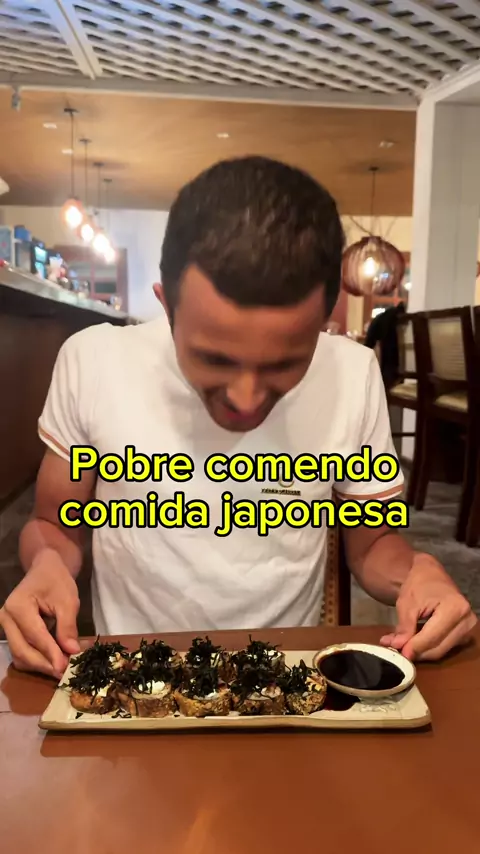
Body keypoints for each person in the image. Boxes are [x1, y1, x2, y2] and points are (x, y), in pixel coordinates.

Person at [1, 157, 475, 680]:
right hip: (138, 678)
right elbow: (53, 523)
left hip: (283, 677)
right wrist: (47, 565)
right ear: (166, 305)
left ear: (325, 321)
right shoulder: (93, 361)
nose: (246, 400)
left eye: (284, 363)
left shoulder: (352, 373)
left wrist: (419, 571)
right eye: (214, 359)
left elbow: (372, 544)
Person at [364, 302, 406, 389]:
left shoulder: (382, 317)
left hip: (385, 366)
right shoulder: (400, 319)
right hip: (396, 366)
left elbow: (368, 344)